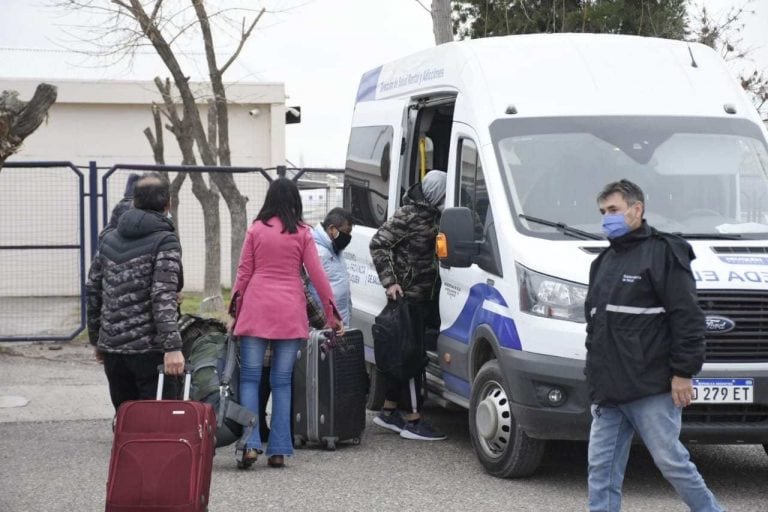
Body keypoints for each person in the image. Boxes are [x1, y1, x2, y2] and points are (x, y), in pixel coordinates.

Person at [585, 179, 723, 512]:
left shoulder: (664, 253)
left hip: (652, 387)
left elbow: (687, 318)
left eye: (614, 210)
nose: (607, 218)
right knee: (600, 472)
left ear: (637, 209)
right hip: (609, 391)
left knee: (672, 463)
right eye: (603, 212)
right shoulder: (602, 263)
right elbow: (596, 327)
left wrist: (683, 373)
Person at [230, 177, 343, 469]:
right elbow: (318, 276)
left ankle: (251, 443)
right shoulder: (302, 233)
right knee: (281, 382)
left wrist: (235, 311)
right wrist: (332, 316)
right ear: (295, 201)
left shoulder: (256, 229)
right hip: (290, 311)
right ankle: (279, 449)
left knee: (251, 380)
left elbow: (243, 274)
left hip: (255, 309)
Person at [86, 173, 185, 411]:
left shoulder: (108, 239)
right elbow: (163, 296)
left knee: (126, 421)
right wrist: (173, 347)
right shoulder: (165, 241)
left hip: (113, 351)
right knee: (158, 426)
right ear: (167, 204)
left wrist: (97, 340)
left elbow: (93, 291)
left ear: (134, 201)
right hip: (150, 352)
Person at [369, 170, 447, 441]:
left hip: (428, 296)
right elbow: (378, 243)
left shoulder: (437, 214)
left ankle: (389, 411)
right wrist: (391, 282)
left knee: (403, 353)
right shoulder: (409, 215)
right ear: (437, 194)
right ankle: (413, 419)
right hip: (408, 297)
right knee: (411, 357)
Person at [310, 207, 354, 326]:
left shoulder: (336, 250)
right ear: (332, 229)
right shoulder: (317, 252)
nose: (348, 237)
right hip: (326, 325)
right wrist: (324, 320)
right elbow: (311, 292)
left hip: (340, 323)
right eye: (346, 233)